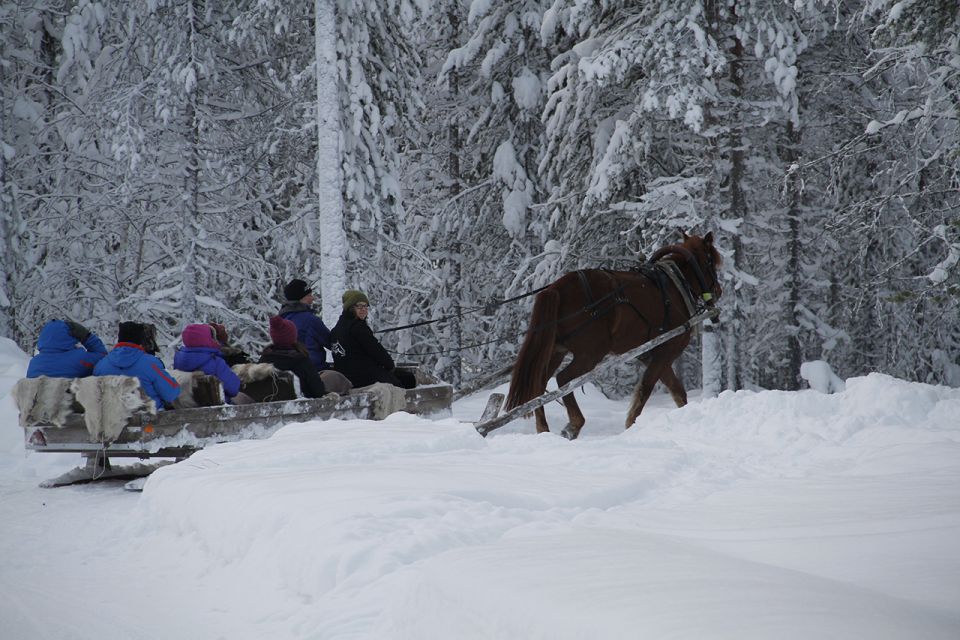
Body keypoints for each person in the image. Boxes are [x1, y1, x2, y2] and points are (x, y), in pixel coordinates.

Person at [329, 290, 416, 389]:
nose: (363, 310)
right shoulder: (358, 327)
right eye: (359, 306)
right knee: (407, 379)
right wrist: (390, 366)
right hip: (362, 376)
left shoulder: (336, 329)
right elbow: (376, 350)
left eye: (365, 306)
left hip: (346, 376)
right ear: (350, 308)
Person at [94, 321, 180, 410]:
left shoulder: (101, 365)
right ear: (139, 339)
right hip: (149, 421)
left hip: (114, 421)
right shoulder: (151, 364)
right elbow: (172, 394)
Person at [173, 324, 252, 405]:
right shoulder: (215, 362)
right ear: (207, 339)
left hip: (187, 407)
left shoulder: (178, 362)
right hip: (218, 410)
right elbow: (233, 389)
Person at [258, 316, 327, 398]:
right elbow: (318, 391)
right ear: (293, 336)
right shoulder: (302, 362)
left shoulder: (264, 361)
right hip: (300, 408)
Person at [279, 278, 332, 371]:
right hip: (313, 370)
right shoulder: (310, 320)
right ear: (300, 298)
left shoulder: (281, 319)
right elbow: (331, 342)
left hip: (289, 372)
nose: (312, 298)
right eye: (309, 295)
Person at [26, 319, 107, 379]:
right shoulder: (79, 359)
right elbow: (103, 357)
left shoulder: (34, 363)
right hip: (68, 401)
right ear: (70, 336)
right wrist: (87, 336)